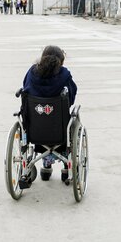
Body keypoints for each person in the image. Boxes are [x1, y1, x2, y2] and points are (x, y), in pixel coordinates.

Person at [22, 45, 77, 182]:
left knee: (40, 119)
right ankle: (66, 166)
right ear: (61, 61)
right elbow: (71, 96)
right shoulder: (64, 75)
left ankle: (46, 165)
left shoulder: (31, 72)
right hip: (58, 128)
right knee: (68, 123)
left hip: (35, 129)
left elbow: (25, 89)